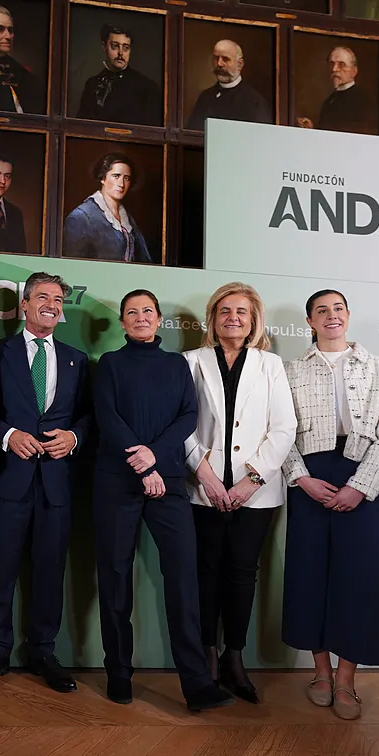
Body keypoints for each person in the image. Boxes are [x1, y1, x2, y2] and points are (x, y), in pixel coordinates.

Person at [92, 289, 233, 712]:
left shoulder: (176, 365)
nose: (140, 317)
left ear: (158, 320)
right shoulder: (109, 364)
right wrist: (143, 466)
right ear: (122, 322)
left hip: (168, 482)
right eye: (131, 312)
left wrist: (154, 457)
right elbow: (108, 419)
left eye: (147, 311)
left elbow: (188, 416)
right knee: (115, 576)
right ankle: (119, 672)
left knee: (184, 579)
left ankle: (197, 683)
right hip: (118, 482)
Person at [281, 290, 379, 721]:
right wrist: (300, 478)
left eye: (338, 309)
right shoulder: (290, 370)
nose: (331, 316)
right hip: (310, 475)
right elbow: (280, 431)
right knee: (309, 573)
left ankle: (347, 679)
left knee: (358, 578)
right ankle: (321, 672)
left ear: (348, 316)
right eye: (321, 311)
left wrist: (360, 487)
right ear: (309, 321)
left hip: (361, 474)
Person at [0, 272, 90, 694]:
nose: (51, 305)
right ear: (24, 305)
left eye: (58, 299)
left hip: (56, 485)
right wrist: (7, 434)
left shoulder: (77, 359)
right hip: (7, 481)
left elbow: (89, 416)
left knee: (50, 572)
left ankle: (43, 652)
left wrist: (74, 437)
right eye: (42, 297)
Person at [182, 282, 297, 705]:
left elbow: (284, 428)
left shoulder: (270, 364)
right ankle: (207, 658)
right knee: (206, 571)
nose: (233, 318)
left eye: (242, 312)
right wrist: (206, 476)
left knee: (242, 573)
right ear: (213, 319)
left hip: (257, 493)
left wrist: (252, 480)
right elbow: (181, 423)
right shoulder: (190, 362)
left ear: (253, 322)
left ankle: (234, 656)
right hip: (203, 488)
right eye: (225, 311)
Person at [63, 154, 152, 263]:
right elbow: (73, 265)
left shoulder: (128, 220)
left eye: (126, 178)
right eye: (116, 176)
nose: (121, 184)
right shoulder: (81, 217)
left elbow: (144, 260)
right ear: (103, 178)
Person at [77, 24, 162, 127]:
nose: (121, 53)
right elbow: (81, 126)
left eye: (126, 48)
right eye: (115, 46)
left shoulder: (146, 87)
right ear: (104, 46)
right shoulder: (92, 84)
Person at [186, 39, 273, 130]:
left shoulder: (254, 102)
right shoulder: (205, 97)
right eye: (216, 58)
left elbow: (262, 136)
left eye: (225, 59)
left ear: (239, 64)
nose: (219, 64)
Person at [297, 47, 379, 135]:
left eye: (341, 64)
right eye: (332, 64)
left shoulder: (363, 101)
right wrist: (312, 129)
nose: (334, 69)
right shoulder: (329, 101)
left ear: (354, 72)